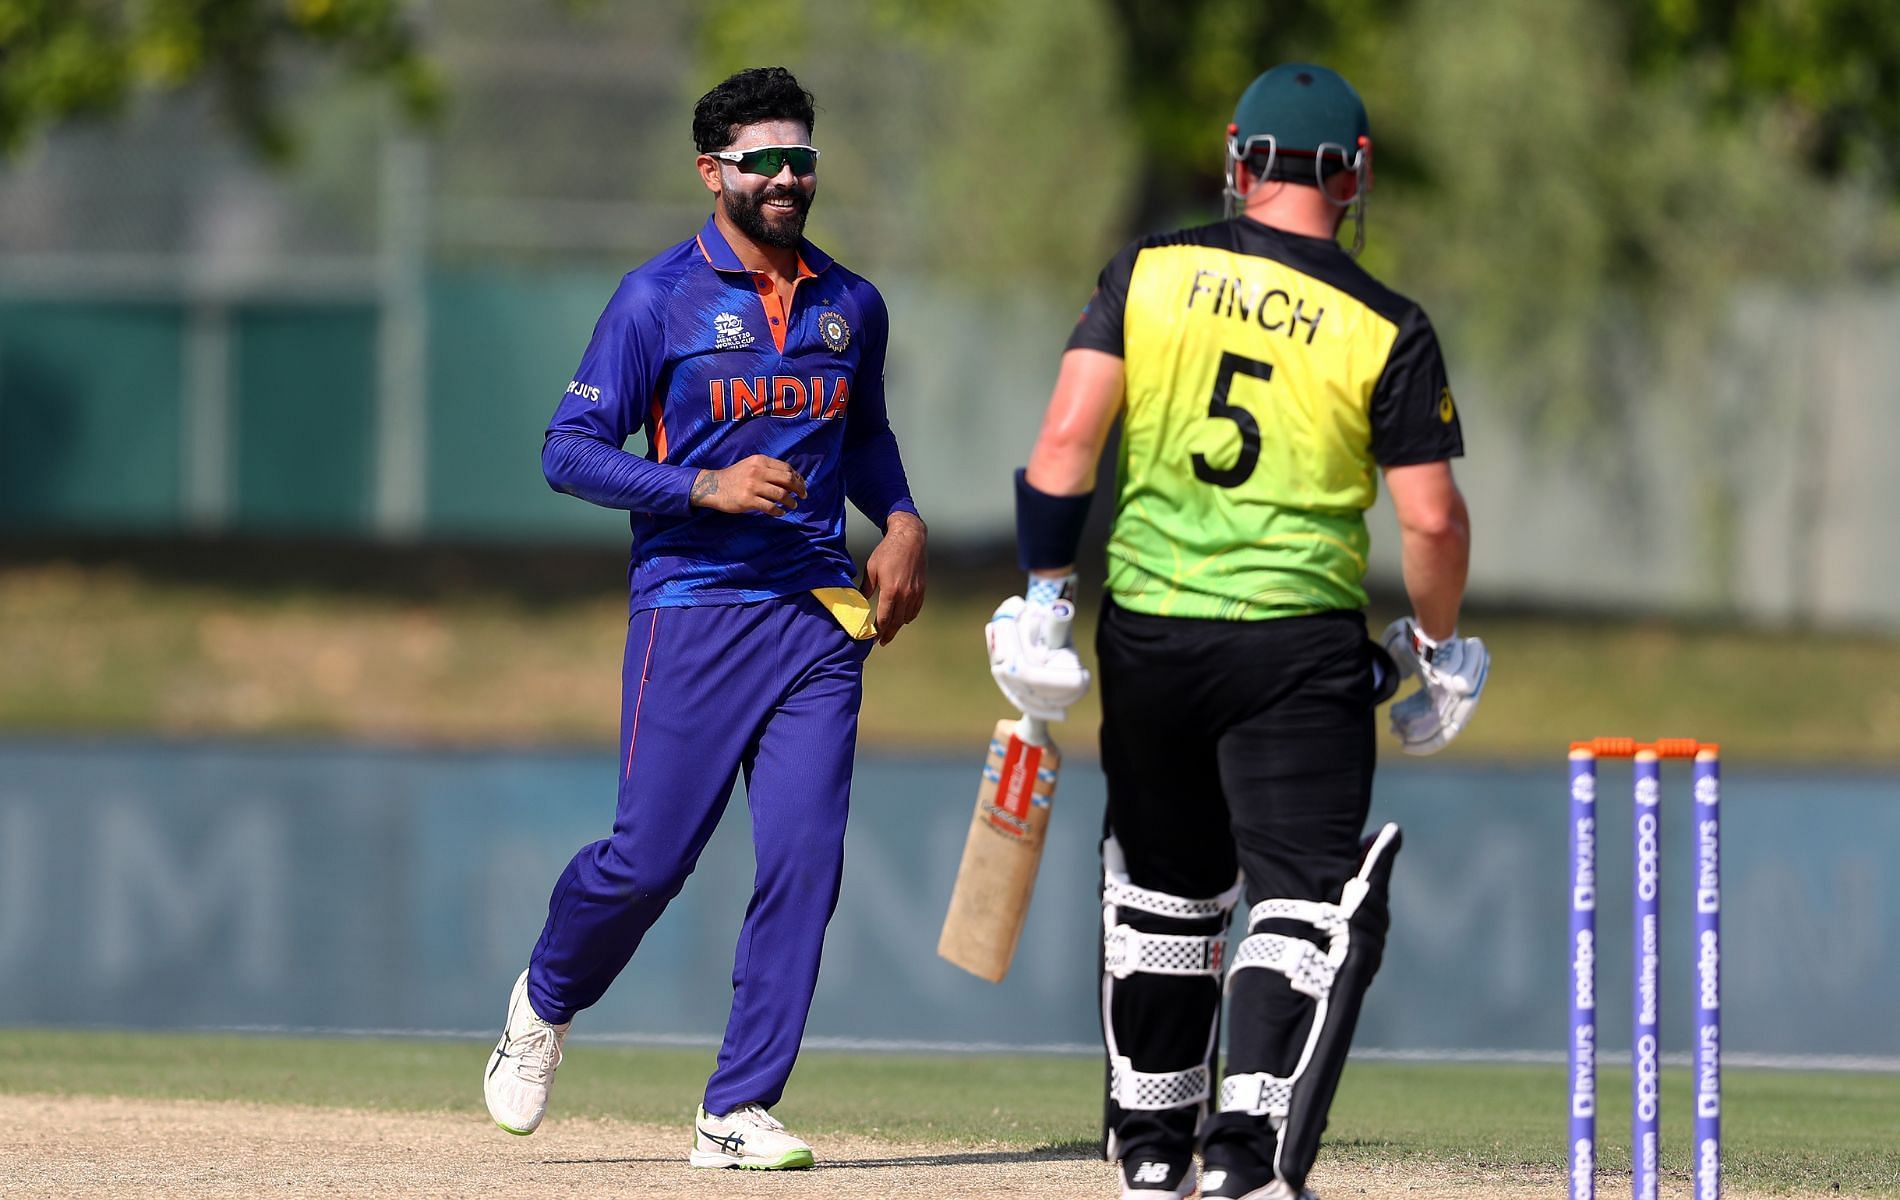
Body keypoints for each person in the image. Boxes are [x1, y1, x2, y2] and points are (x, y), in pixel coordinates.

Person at [986, 64, 1488, 1200]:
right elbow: (1432, 518)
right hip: (1296, 643)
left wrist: (1041, 600)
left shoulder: (1147, 272)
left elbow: (1064, 444)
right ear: (1354, 175)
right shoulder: (1387, 328)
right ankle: (1241, 1158)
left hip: (1149, 628)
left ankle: (1153, 1151)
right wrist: (1439, 646)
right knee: (1301, 895)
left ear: (1237, 156)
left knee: (1166, 890)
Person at [482, 65, 927, 1171]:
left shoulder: (850, 302)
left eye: (801, 157)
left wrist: (905, 519)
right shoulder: (656, 300)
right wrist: (704, 488)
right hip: (693, 607)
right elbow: (566, 452)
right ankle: (544, 998)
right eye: (762, 159)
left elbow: (863, 432)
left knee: (805, 865)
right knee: (648, 862)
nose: (786, 176)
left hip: (818, 619)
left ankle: (736, 1109)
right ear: (711, 171)